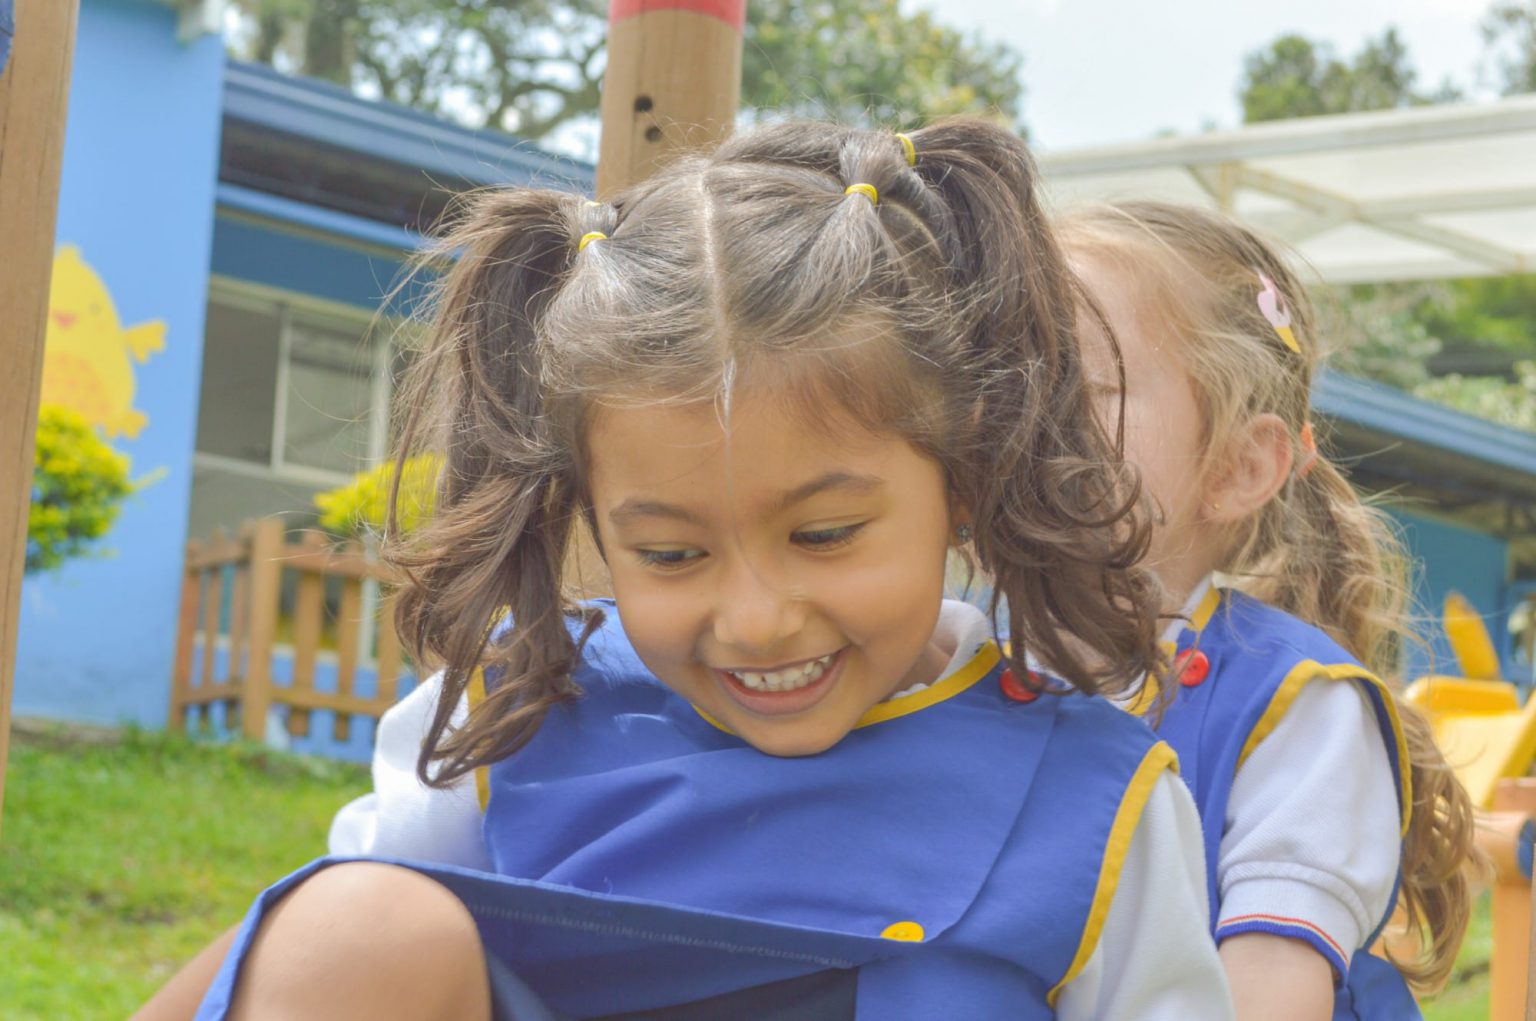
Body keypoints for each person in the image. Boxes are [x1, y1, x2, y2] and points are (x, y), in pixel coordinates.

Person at [139, 121, 1233, 1021]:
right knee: (358, 921)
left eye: (825, 534)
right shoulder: (510, 718)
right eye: (671, 554)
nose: (754, 619)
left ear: (964, 478)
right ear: (590, 519)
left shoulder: (1096, 804)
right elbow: (301, 953)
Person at [1059, 201, 1477, 1021]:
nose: (1020, 415)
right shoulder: (960, 659)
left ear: (1238, 467)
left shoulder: (1300, 713)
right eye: (1006, 373)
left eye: (1084, 386)